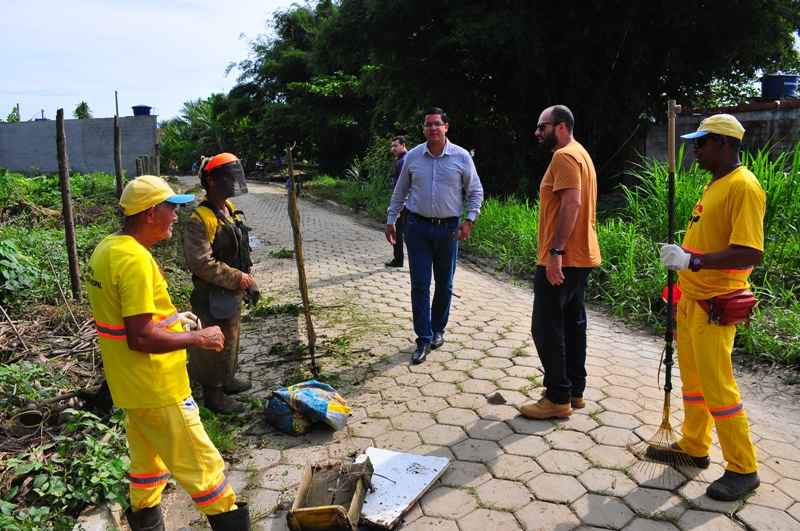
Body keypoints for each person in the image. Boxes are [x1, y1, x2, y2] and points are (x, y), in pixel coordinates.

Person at [86, 175, 249, 530]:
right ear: (148, 213)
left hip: (131, 387)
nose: (176, 216)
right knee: (207, 470)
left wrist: (171, 318)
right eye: (170, 208)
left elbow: (124, 317)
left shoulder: (107, 250)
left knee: (146, 469)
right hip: (159, 387)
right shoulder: (136, 262)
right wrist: (199, 338)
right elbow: (141, 338)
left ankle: (146, 521)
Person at [648, 114, 764, 501]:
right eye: (695, 142)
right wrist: (684, 265)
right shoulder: (715, 183)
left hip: (717, 304)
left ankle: (743, 468)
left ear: (727, 144)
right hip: (693, 300)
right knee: (694, 383)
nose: (695, 149)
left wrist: (692, 262)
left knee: (718, 387)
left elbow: (750, 251)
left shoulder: (743, 186)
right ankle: (695, 445)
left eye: (703, 142)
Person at [520, 105, 601, 420]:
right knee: (572, 323)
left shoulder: (564, 156)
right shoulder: (581, 154)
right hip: (581, 257)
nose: (537, 132)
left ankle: (557, 397)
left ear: (562, 126)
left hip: (563, 258)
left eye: (543, 126)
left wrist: (555, 253)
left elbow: (572, 204)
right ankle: (574, 391)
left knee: (545, 327)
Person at [385, 107, 484, 364]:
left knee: (444, 283)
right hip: (417, 228)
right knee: (419, 283)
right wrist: (391, 219)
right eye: (428, 125)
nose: (432, 128)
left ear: (446, 127)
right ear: (423, 129)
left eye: (437, 124)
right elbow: (399, 192)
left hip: (448, 230)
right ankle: (423, 338)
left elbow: (475, 191)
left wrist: (469, 220)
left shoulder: (461, 157)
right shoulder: (413, 157)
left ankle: (438, 328)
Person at [184, 153, 258, 414]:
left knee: (231, 338)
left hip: (232, 291)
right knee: (213, 345)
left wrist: (247, 281)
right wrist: (238, 278)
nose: (233, 182)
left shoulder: (229, 210)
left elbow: (241, 250)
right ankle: (213, 396)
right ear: (212, 181)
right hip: (211, 293)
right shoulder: (200, 219)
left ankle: (227, 379)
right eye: (228, 177)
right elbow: (201, 263)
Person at [385, 135, 408, 267]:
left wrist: (397, 206)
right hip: (406, 203)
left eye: (395, 145)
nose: (392, 148)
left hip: (403, 204)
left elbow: (401, 187)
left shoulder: (403, 161)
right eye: (392, 146)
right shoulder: (403, 159)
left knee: (397, 232)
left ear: (403, 145)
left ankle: (398, 260)